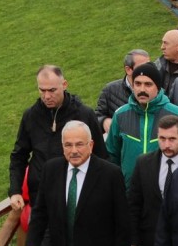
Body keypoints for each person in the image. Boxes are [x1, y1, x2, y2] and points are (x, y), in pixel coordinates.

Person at [26, 120, 131, 246]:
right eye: (68, 145)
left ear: (91, 145)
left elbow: (122, 223)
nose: (74, 150)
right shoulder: (51, 169)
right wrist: (32, 242)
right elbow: (40, 211)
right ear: (62, 146)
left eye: (79, 144)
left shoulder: (110, 174)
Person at [9, 66, 106, 214]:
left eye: (52, 90)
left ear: (64, 85)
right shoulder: (30, 116)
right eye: (42, 90)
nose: (47, 96)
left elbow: (100, 156)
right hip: (41, 199)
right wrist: (15, 191)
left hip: (77, 197)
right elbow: (19, 156)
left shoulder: (84, 115)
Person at [105, 62, 178, 186]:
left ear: (157, 87)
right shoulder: (120, 115)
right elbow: (112, 156)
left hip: (169, 193)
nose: (142, 89)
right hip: (130, 194)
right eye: (138, 84)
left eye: (148, 84)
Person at [128, 113, 178, 246]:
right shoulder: (143, 163)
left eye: (172, 139)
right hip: (150, 242)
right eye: (162, 139)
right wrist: (133, 239)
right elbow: (135, 204)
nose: (166, 145)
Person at [97, 49, 152, 133]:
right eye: (142, 67)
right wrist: (103, 121)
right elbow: (96, 117)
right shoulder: (109, 90)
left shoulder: (156, 88)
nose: (148, 71)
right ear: (128, 70)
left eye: (149, 66)